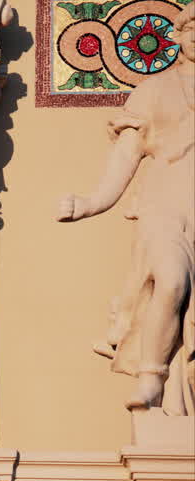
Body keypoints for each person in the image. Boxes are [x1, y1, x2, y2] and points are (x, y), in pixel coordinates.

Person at [57, 6, 195, 415]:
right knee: (170, 280)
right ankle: (151, 377)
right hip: (166, 202)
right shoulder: (154, 89)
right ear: (178, 36)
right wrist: (90, 203)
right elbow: (127, 155)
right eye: (191, 30)